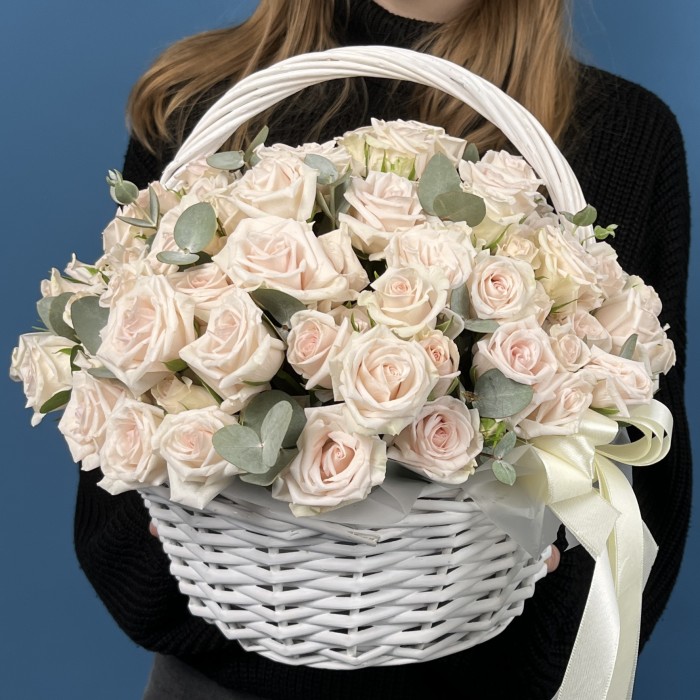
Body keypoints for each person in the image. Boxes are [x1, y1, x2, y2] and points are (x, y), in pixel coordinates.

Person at [74, 1, 691, 698]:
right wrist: (194, 544)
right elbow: (114, 423)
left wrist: (524, 619)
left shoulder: (625, 134)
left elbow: (643, 469)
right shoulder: (195, 98)